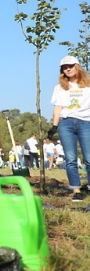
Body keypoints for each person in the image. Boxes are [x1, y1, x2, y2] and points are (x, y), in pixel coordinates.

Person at [49, 55, 90, 202]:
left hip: (86, 122)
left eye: (70, 66)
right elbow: (58, 107)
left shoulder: (88, 84)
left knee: (89, 158)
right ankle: (76, 190)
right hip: (66, 123)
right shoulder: (59, 87)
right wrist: (54, 126)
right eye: (64, 67)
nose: (68, 69)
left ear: (77, 67)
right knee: (71, 159)